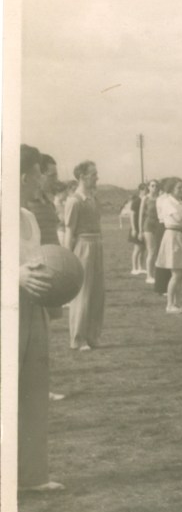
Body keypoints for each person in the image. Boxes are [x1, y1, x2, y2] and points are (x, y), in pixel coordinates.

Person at [18, 144, 64, 492]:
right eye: (37, 173)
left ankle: (32, 476)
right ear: (23, 175)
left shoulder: (29, 217)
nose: (41, 181)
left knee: (34, 392)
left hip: (33, 312)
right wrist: (16, 277)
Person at [26, 153, 66, 401]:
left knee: (46, 331)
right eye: (50, 175)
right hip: (36, 271)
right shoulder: (27, 205)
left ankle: (41, 383)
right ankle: (36, 386)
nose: (54, 179)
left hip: (53, 269)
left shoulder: (48, 200)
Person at [64, 160, 105, 350]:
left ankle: (92, 335)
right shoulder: (74, 201)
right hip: (83, 246)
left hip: (97, 245)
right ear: (82, 176)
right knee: (83, 292)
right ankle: (78, 338)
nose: (97, 177)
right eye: (93, 174)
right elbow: (69, 231)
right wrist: (67, 257)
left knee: (97, 292)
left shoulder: (94, 198)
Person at [155, 177, 182, 313]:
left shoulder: (179, 203)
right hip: (172, 235)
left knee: (180, 273)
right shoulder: (168, 202)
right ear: (171, 189)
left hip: (180, 235)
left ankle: (177, 304)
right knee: (176, 274)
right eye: (179, 187)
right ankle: (169, 305)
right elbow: (178, 218)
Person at [127, 184, 147, 275]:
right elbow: (132, 215)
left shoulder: (146, 201)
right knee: (137, 248)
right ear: (141, 190)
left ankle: (140, 267)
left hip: (143, 228)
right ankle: (134, 268)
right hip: (136, 228)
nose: (147, 192)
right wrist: (134, 229)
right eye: (145, 190)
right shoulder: (136, 201)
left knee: (143, 248)